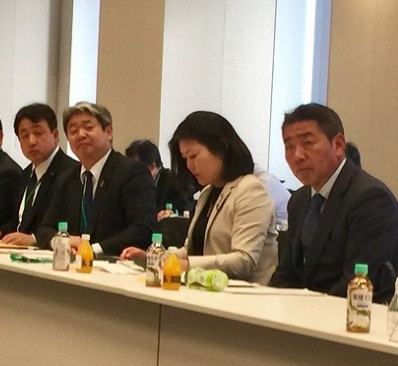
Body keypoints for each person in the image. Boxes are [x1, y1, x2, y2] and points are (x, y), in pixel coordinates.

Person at [121, 111, 278, 285]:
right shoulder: (208, 192)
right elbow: (190, 250)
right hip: (206, 288)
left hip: (244, 294)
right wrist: (156, 258)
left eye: (193, 156)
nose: (189, 165)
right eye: (185, 158)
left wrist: (187, 265)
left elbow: (244, 260)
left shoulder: (251, 190)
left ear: (221, 148)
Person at [270, 103, 398, 302]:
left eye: (307, 143)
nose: (297, 156)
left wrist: (302, 310)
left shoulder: (370, 198)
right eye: (289, 147)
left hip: (350, 315)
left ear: (338, 145)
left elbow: (355, 283)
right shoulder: (299, 200)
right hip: (301, 313)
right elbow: (286, 274)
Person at [36, 101, 157, 256]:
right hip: (72, 263)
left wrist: (92, 249)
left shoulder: (132, 172)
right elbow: (44, 229)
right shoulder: (67, 180)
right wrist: (63, 241)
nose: (80, 135)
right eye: (73, 131)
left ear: (109, 132)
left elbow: (143, 229)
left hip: (114, 262)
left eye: (88, 127)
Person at [0, 103, 77, 246]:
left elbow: (68, 226)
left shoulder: (71, 173)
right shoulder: (26, 174)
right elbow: (21, 221)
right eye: (24, 136)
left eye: (38, 133)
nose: (31, 141)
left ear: (55, 135)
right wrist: (0, 231)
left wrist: (34, 239)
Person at [125, 139, 192, 218]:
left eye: (136, 168)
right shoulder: (132, 184)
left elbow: (185, 212)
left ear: (152, 166)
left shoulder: (173, 183)